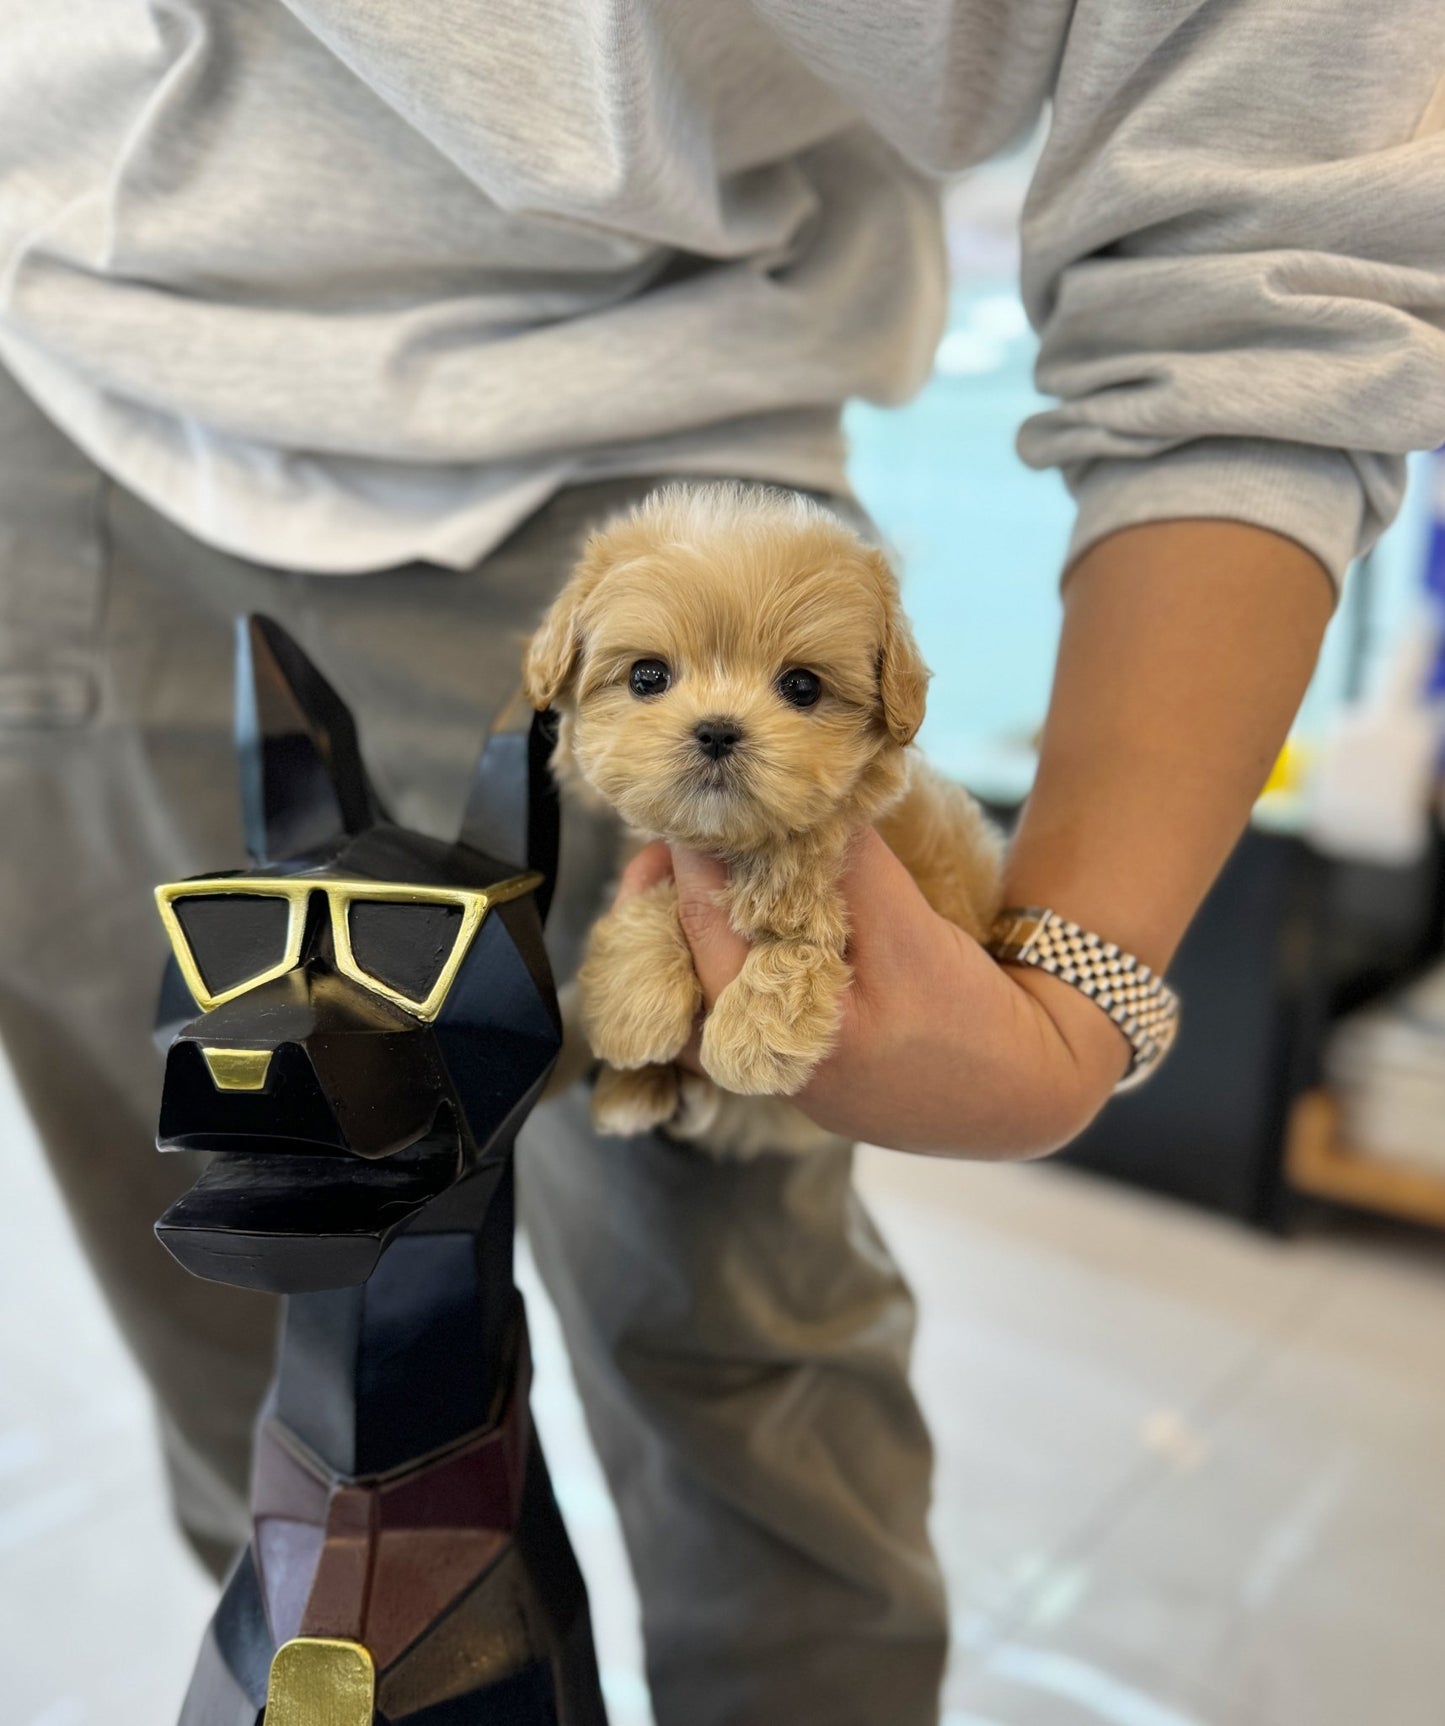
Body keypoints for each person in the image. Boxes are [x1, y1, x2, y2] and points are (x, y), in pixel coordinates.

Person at [1, 4, 1441, 1722]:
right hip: (59, 414)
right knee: (244, 1285)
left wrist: (1080, 984)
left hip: (666, 469)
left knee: (738, 1361)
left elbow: (1268, 241)